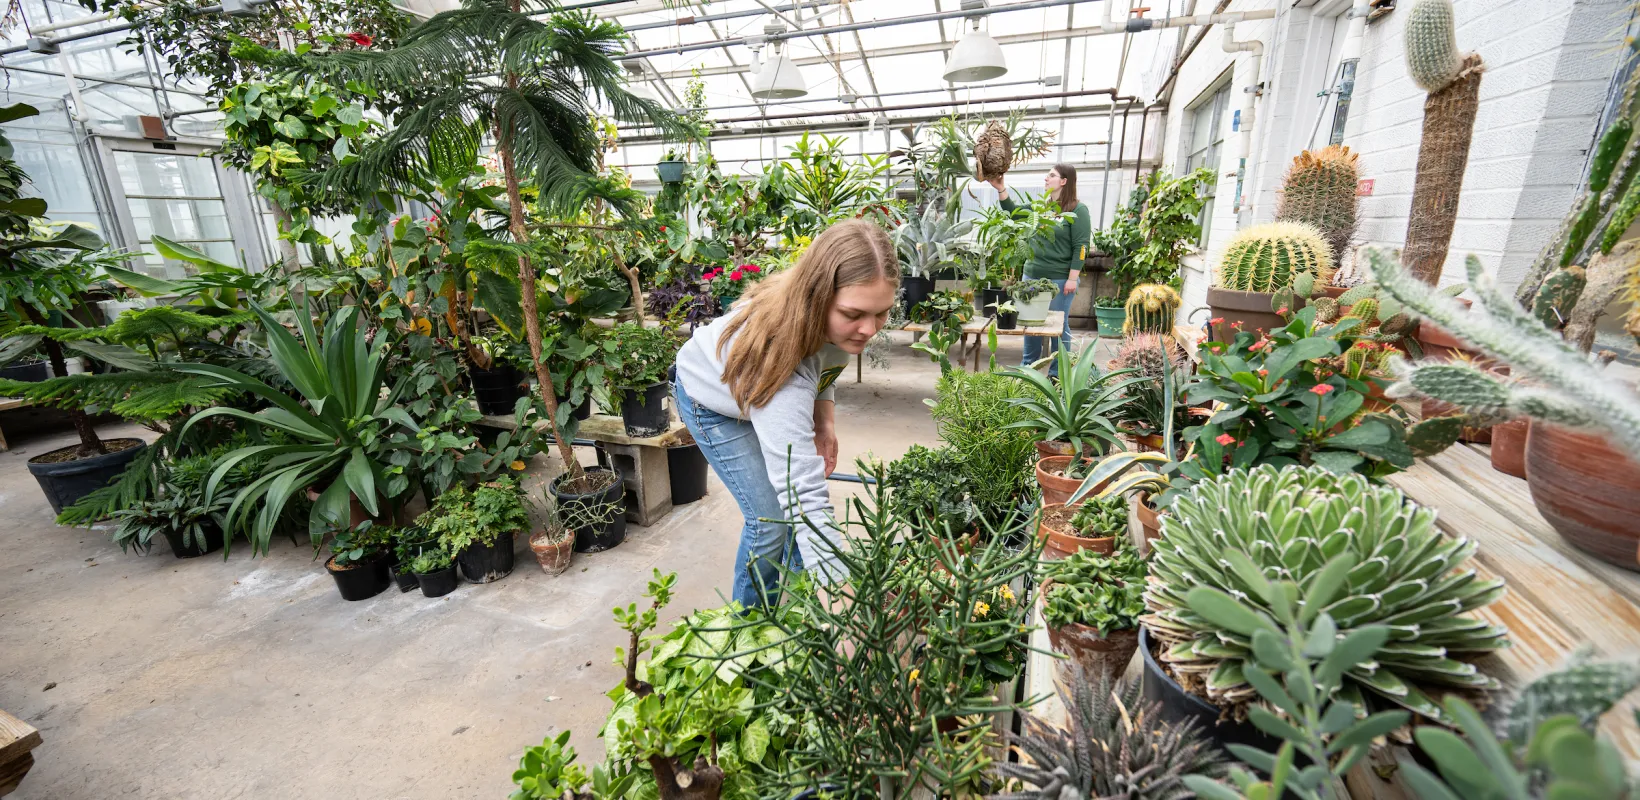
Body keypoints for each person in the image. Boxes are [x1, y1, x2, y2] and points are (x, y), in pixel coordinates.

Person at [673, 219, 899, 608]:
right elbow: (803, 494)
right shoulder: (781, 361)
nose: (868, 329)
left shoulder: (832, 322)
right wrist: (843, 601)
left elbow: (824, 369)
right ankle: (749, 625)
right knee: (771, 519)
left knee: (789, 512)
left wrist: (823, 422)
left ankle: (799, 596)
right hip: (708, 397)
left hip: (758, 389)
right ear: (817, 296)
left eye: (881, 314)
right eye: (855, 314)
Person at [988, 164, 1092, 374]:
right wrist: (1000, 188)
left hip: (1060, 278)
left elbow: (1081, 247)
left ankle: (1058, 373)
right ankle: (1029, 369)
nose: (1046, 178)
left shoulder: (1077, 210)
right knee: (1029, 324)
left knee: (1059, 327)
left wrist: (1073, 278)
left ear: (1064, 181)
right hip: (1031, 276)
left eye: (1051, 175)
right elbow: (1013, 212)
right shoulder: (1040, 207)